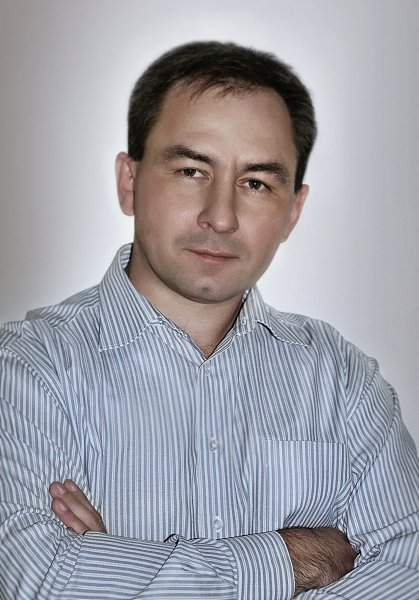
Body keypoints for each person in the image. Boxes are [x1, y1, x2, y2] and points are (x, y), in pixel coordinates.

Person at [0, 41, 417, 599]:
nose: (220, 217)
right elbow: (37, 580)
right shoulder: (25, 371)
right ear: (129, 182)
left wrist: (121, 569)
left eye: (256, 182)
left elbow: (408, 573)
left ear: (293, 211)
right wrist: (290, 559)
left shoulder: (344, 382)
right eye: (192, 170)